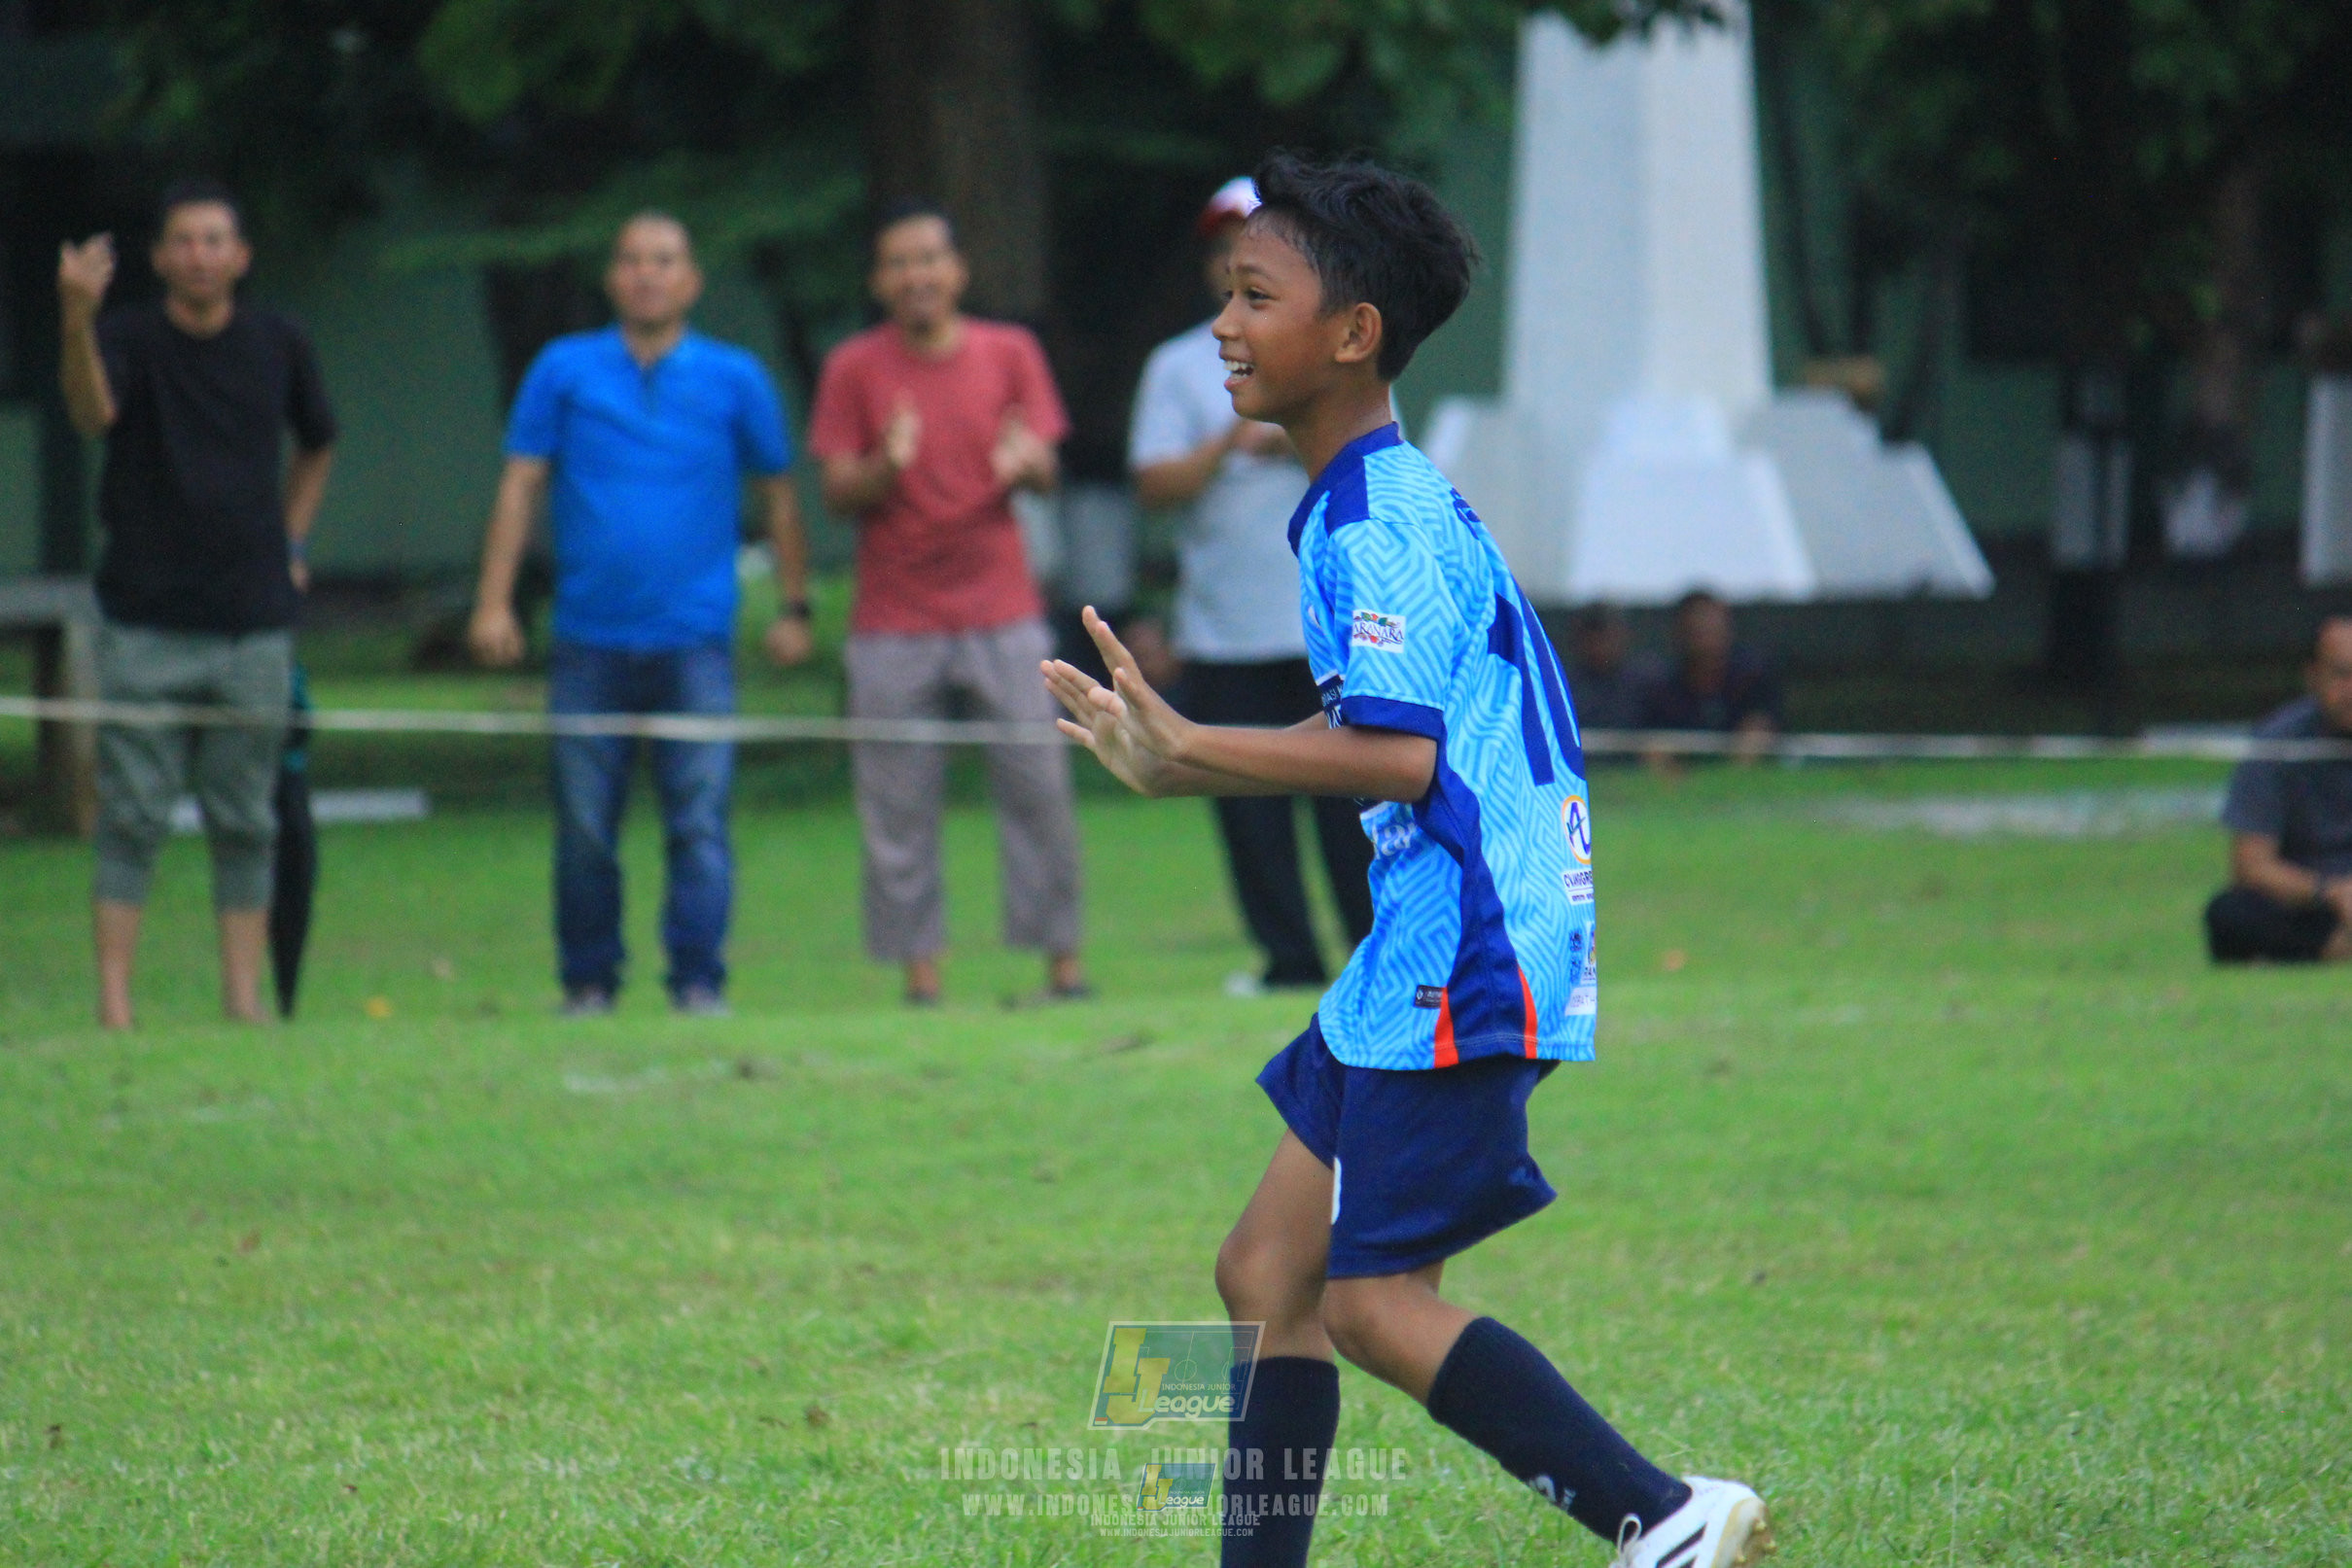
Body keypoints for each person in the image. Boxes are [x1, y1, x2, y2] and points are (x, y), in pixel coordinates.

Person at [1044, 155, 1771, 1568]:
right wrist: (1181, 756)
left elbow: (1397, 757)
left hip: (1469, 942)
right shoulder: (1360, 499)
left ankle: (1661, 1517)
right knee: (1265, 1268)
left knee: (1373, 1300)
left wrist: (1189, 738)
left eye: (1257, 296)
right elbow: (1395, 740)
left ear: (1353, 331)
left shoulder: (1372, 518)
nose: (1224, 325)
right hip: (1425, 936)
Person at [468, 212, 812, 1017]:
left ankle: (698, 981)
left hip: (695, 643)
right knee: (586, 828)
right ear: (612, 278)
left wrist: (794, 606)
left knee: (698, 824)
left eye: (664, 261)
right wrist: (492, 603)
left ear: (690, 280)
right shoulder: (562, 368)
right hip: (587, 640)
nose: (648, 274)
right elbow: (520, 484)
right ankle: (589, 982)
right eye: (631, 260)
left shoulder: (736, 378)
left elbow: (779, 495)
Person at [57, 180, 336, 1029]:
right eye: (184, 241)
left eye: (216, 240)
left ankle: (243, 1003)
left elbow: (319, 440)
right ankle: (115, 1006)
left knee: (245, 817)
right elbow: (92, 414)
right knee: (133, 815)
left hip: (252, 622)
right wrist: (75, 317)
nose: (200, 256)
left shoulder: (278, 341)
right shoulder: (127, 335)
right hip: (144, 616)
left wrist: (290, 542)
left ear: (241, 257)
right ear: (158, 257)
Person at [809, 200, 1087, 1007]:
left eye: (929, 258)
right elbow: (835, 491)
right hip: (893, 619)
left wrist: (1026, 463)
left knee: (1038, 787)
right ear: (878, 281)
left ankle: (1062, 967)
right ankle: (920, 974)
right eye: (898, 263)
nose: (916, 275)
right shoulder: (854, 367)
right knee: (897, 804)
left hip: (1002, 607)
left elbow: (1045, 468)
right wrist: (883, 466)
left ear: (958, 270)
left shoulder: (1010, 351)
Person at [1131, 175, 1373, 993]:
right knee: (1247, 802)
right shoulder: (1176, 366)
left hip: (1323, 621)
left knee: (1352, 798)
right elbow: (1153, 481)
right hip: (1226, 621)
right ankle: (1288, 959)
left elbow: (1377, 458)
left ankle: (1372, 952)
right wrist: (1229, 444)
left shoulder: (1333, 345)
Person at [2204, 615, 2352, 963]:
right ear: (2313, 677)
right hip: (2310, 903)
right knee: (2229, 914)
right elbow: (2251, 864)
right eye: (2343, 675)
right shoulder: (2276, 744)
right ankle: (2334, 950)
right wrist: (2331, 893)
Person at [1637, 590, 1781, 768]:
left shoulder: (1751, 677)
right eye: (1696, 632)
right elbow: (1653, 742)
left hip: (1738, 776)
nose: (1705, 640)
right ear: (1680, 634)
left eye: (1712, 630)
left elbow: (1760, 727)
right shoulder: (1663, 687)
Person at [1562, 602, 1648, 734]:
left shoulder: (1646, 685)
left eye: (1606, 635)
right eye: (1591, 636)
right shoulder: (1562, 686)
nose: (1599, 644)